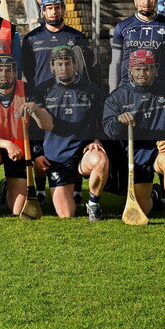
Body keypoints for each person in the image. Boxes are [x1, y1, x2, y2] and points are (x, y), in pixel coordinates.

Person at [101, 49, 165, 230]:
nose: (142, 73)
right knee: (144, 209)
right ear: (130, 70)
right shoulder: (118, 96)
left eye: (147, 69)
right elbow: (108, 130)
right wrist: (118, 121)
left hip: (158, 151)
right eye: (137, 69)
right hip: (135, 155)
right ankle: (155, 193)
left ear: (155, 69)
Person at [29, 47, 107, 220]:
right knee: (66, 214)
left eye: (68, 63)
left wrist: (97, 139)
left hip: (83, 154)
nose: (64, 67)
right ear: (52, 67)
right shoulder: (41, 91)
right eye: (59, 64)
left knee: (100, 160)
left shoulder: (92, 91)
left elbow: (102, 121)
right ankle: (61, 187)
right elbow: (36, 128)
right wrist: (38, 153)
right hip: (57, 158)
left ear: (75, 65)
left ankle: (93, 204)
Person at [0, 55, 53, 219]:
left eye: (8, 70)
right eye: (0, 70)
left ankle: (6, 188)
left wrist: (35, 109)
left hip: (21, 152)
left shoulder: (28, 90)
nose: (4, 74)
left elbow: (48, 125)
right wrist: (7, 144)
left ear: (15, 72)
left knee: (18, 210)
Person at [109, 0, 165, 93]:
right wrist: (112, 92)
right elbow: (115, 63)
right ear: (135, 0)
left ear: (157, 0)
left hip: (159, 90)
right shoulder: (122, 26)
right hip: (127, 90)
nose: (146, 2)